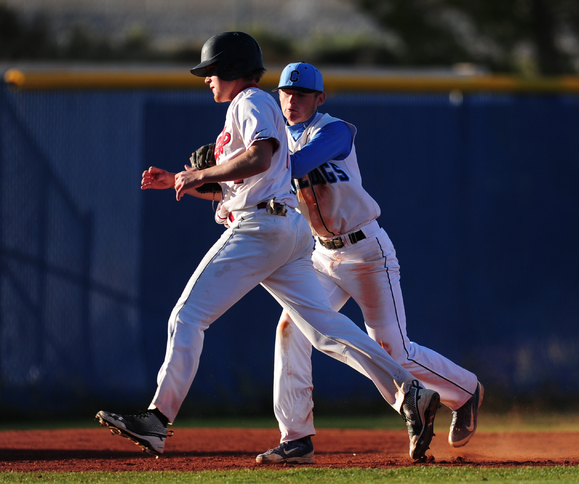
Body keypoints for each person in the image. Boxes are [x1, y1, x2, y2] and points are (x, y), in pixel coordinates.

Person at [94, 32, 440, 462]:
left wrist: (201, 175)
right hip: (286, 228)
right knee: (325, 331)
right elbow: (250, 180)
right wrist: (182, 180)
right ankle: (411, 391)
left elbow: (261, 156)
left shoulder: (250, 102)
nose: (207, 80)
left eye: (213, 71)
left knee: (188, 315)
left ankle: (156, 420)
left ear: (235, 69)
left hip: (263, 229)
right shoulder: (253, 107)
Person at [255, 62, 483, 465]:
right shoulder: (273, 139)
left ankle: (464, 392)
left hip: (366, 251)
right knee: (291, 327)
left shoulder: (334, 129)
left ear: (319, 98)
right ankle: (296, 438)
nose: (291, 101)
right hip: (322, 255)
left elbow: (296, 165)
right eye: (285, 93)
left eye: (302, 94)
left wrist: (247, 165)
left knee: (394, 350)